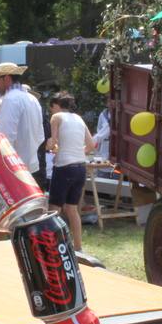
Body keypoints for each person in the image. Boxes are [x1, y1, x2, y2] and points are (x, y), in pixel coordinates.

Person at [46, 92, 95, 252]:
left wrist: (49, 146)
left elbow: (53, 143)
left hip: (64, 167)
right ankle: (78, 247)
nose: (51, 111)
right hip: (80, 166)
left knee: (54, 209)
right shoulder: (79, 119)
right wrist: (75, 150)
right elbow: (91, 145)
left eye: (52, 107)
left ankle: (53, 247)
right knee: (72, 209)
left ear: (58, 105)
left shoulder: (57, 117)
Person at [0, 63, 45, 183]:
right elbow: (40, 135)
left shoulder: (10, 99)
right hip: (31, 165)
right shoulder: (32, 98)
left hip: (14, 167)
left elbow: (5, 137)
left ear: (7, 78)